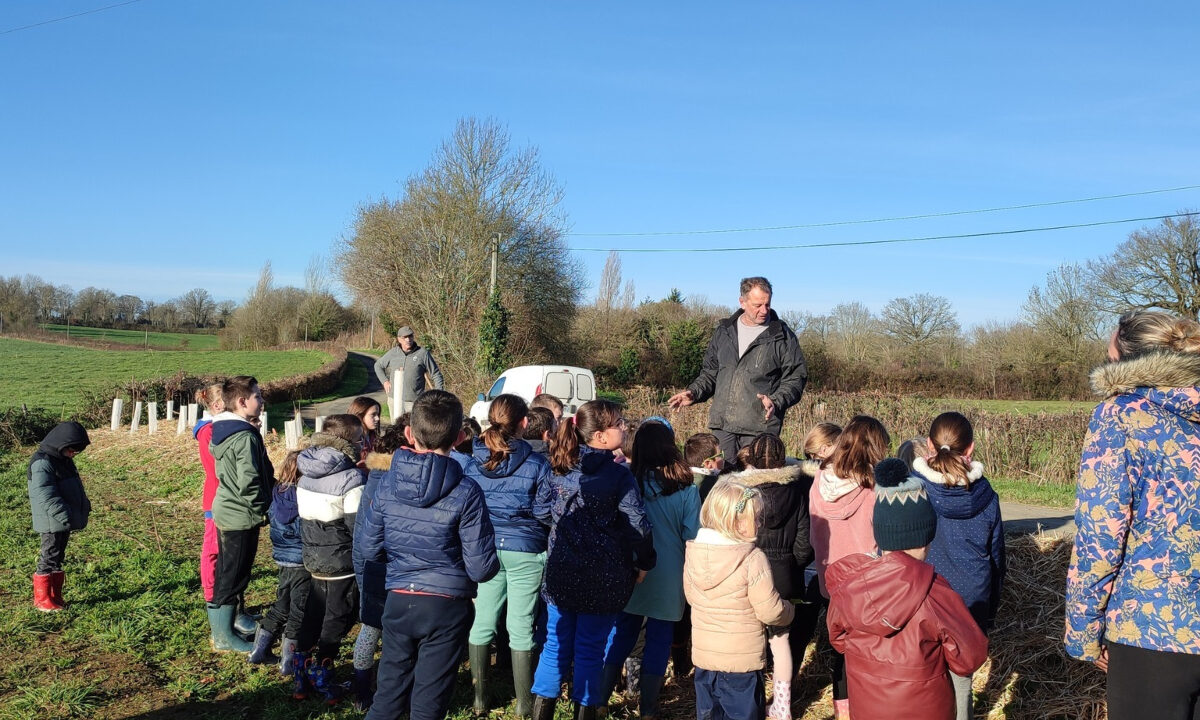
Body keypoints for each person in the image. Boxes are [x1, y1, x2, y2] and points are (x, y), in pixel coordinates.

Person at [1065, 310, 1200, 720]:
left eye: (1109, 355)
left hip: (1152, 632)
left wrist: (1083, 632)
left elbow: (1099, 537)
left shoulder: (1120, 416)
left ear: (1127, 361)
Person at [354, 390, 499, 720]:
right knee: (429, 701)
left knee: (388, 696)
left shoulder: (387, 484)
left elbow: (368, 548)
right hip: (446, 605)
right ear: (460, 438)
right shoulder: (467, 491)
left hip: (399, 598)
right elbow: (481, 567)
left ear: (409, 433)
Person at [825, 458, 988, 720]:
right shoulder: (934, 592)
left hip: (867, 708)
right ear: (926, 539)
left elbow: (838, 638)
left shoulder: (851, 586)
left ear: (880, 535)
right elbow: (970, 656)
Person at [531, 400, 656, 720]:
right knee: (590, 649)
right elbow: (637, 525)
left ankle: (540, 712)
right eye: (620, 423)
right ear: (600, 436)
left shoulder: (558, 464)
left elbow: (541, 510)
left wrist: (567, 527)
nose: (626, 427)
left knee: (554, 646)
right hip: (603, 576)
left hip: (562, 570)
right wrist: (645, 561)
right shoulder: (618, 476)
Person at [599, 421, 701, 719]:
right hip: (669, 574)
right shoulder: (686, 488)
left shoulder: (626, 481)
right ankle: (649, 708)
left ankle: (601, 699)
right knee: (659, 639)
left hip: (630, 568)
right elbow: (691, 533)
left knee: (622, 634)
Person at [464, 394, 554, 718]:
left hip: (487, 548)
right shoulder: (537, 464)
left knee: (482, 623)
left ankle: (478, 701)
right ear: (524, 423)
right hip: (526, 550)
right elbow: (545, 512)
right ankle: (524, 705)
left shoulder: (472, 461)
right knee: (520, 626)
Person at [911, 412, 1005, 720]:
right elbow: (997, 560)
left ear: (929, 445)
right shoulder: (987, 497)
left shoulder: (912, 490)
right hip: (970, 600)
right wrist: (988, 613)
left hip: (922, 598)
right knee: (961, 679)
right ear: (971, 449)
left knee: (921, 680)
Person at [685, 479, 795, 720]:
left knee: (710, 715)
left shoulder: (694, 551)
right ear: (736, 523)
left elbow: (691, 597)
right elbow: (769, 611)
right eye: (755, 518)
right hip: (741, 664)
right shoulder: (752, 558)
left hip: (705, 660)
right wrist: (788, 610)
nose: (759, 523)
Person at [667, 277, 808, 461]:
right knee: (723, 483)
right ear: (742, 302)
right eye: (758, 305)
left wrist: (776, 400)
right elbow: (710, 373)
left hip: (761, 428)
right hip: (723, 427)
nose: (764, 310)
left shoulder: (782, 336)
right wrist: (693, 392)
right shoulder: (724, 331)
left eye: (767, 304)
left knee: (754, 485)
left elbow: (796, 378)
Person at [808, 415, 889, 719]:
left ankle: (843, 709)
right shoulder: (873, 486)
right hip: (867, 584)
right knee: (869, 652)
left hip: (830, 579)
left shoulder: (819, 479)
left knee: (840, 649)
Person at [729, 434, 814, 720]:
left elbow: (735, 535)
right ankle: (782, 705)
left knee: (751, 644)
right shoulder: (796, 493)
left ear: (750, 459)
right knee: (781, 644)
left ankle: (750, 702)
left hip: (749, 575)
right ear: (783, 459)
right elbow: (804, 543)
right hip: (786, 576)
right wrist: (792, 565)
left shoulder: (741, 492)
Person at [295, 414, 367, 703]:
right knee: (338, 618)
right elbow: (358, 528)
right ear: (350, 441)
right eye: (361, 437)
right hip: (342, 562)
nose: (365, 443)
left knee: (313, 613)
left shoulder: (306, 470)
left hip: (313, 558)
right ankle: (324, 672)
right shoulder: (352, 479)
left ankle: (301, 673)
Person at [208, 375, 274, 653]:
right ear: (241, 401)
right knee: (232, 575)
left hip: (227, 508)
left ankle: (231, 623)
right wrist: (263, 509)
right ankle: (222, 637)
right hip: (240, 514)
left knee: (229, 571)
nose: (261, 401)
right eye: (257, 396)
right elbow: (249, 481)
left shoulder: (223, 429)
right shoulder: (245, 436)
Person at [353, 423, 410, 712]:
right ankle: (386, 691)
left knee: (369, 627)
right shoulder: (394, 481)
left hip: (368, 564)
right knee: (390, 634)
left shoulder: (374, 477)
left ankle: (361, 689)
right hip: (388, 565)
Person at [249, 450, 310, 681]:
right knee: (298, 611)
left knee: (281, 604)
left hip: (282, 559)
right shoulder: (303, 500)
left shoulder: (278, 495)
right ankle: (289, 662)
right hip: (301, 562)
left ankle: (259, 651)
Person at [27, 421, 91, 612]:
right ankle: (42, 599)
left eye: (76, 452)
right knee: (49, 556)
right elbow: (46, 494)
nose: (73, 454)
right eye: (71, 450)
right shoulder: (42, 463)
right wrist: (64, 514)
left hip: (62, 519)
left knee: (58, 556)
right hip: (51, 520)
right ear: (61, 444)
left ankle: (55, 596)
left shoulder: (63, 460)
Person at [193, 381, 225, 606]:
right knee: (212, 548)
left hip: (220, 495)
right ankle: (211, 594)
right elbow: (217, 466)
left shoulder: (215, 428)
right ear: (217, 405)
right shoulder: (209, 431)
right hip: (215, 497)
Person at [373, 326, 445, 413]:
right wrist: (385, 381)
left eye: (410, 336)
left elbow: (436, 374)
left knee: (414, 427)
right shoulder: (393, 353)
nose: (408, 339)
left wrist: (438, 396)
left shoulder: (422, 353)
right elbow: (378, 365)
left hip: (415, 403)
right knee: (396, 426)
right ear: (399, 339)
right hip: (394, 401)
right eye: (405, 337)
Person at [685, 432, 726, 502]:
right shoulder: (714, 486)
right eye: (720, 455)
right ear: (708, 464)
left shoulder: (681, 479)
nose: (723, 459)